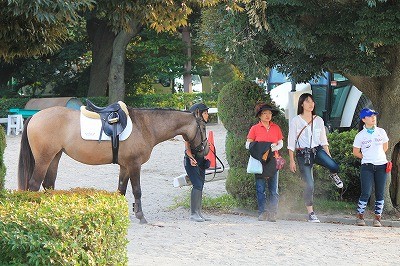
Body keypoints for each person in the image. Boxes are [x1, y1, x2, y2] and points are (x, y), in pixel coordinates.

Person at [287, 93, 343, 223]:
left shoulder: (319, 120)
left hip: (317, 150)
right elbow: (291, 142)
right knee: (309, 184)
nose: (311, 104)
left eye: (312, 101)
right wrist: (292, 160)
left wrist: (329, 158)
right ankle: (311, 213)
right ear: (302, 104)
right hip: (302, 154)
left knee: (334, 166)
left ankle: (333, 174)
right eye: (307, 101)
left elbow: (324, 141)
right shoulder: (296, 120)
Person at [246, 103, 284, 222]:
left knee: (274, 190)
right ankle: (262, 212)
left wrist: (274, 148)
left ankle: (273, 213)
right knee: (260, 189)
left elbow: (281, 143)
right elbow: (248, 144)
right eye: (264, 113)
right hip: (259, 162)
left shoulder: (276, 127)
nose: (268, 115)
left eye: (269, 113)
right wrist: (262, 148)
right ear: (259, 115)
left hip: (273, 160)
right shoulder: (254, 128)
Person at [353, 108, 389, 227]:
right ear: (363, 119)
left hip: (381, 166)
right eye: (370, 116)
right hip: (367, 167)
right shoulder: (360, 135)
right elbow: (356, 152)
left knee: (380, 193)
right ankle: (360, 216)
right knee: (366, 192)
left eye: (374, 115)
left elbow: (385, 147)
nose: (373, 117)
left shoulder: (381, 132)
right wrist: (367, 157)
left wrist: (378, 157)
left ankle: (377, 218)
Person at [184, 102, 211, 222]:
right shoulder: (190, 128)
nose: (207, 115)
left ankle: (199, 212)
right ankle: (194, 213)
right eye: (205, 113)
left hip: (200, 159)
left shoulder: (202, 127)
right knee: (197, 185)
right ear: (198, 113)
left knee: (201, 186)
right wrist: (191, 158)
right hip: (192, 159)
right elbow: (187, 146)